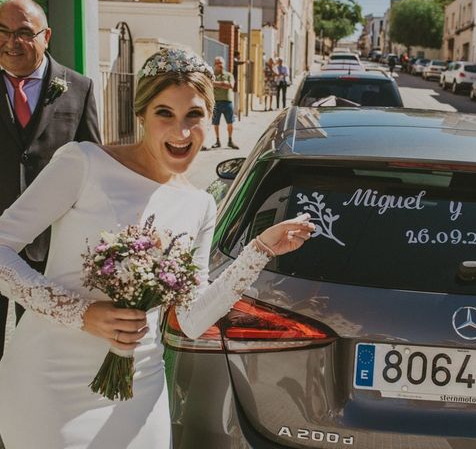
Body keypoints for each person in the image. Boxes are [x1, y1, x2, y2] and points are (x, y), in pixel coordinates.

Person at [0, 47, 315, 448]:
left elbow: (193, 317)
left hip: (138, 387)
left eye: (194, 115)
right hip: (49, 380)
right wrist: (82, 314)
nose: (181, 133)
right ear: (142, 116)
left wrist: (260, 250)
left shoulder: (201, 205)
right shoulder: (83, 163)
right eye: (165, 113)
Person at [0, 0, 101, 360]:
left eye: (24, 33)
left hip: (52, 246)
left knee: (44, 350)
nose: (11, 42)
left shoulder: (79, 88)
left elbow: (93, 168)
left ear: (47, 36)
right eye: (3, 31)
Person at [207, 56, 238, 150]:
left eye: (221, 63)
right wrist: (223, 83)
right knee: (216, 123)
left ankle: (230, 140)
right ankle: (217, 141)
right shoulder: (212, 75)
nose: (219, 65)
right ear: (214, 64)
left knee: (230, 122)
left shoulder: (229, 75)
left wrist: (216, 84)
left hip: (227, 102)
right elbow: (209, 84)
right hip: (216, 103)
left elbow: (231, 85)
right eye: (217, 63)